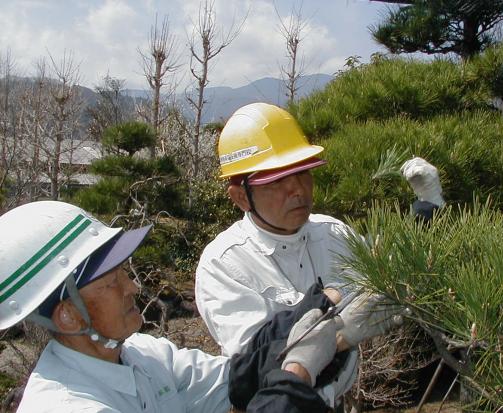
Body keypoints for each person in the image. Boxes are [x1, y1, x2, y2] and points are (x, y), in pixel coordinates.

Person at [0, 200, 366, 413]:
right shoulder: (67, 406)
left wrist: (323, 310)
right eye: (111, 282)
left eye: (124, 272)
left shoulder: (140, 356)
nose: (131, 286)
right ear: (68, 315)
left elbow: (238, 378)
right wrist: (299, 372)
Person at [195, 102, 443, 408]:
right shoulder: (224, 262)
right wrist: (327, 308)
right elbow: (256, 364)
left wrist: (428, 207)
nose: (298, 190)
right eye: (276, 181)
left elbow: (389, 265)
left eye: (303, 173)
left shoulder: (332, 233)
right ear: (241, 196)